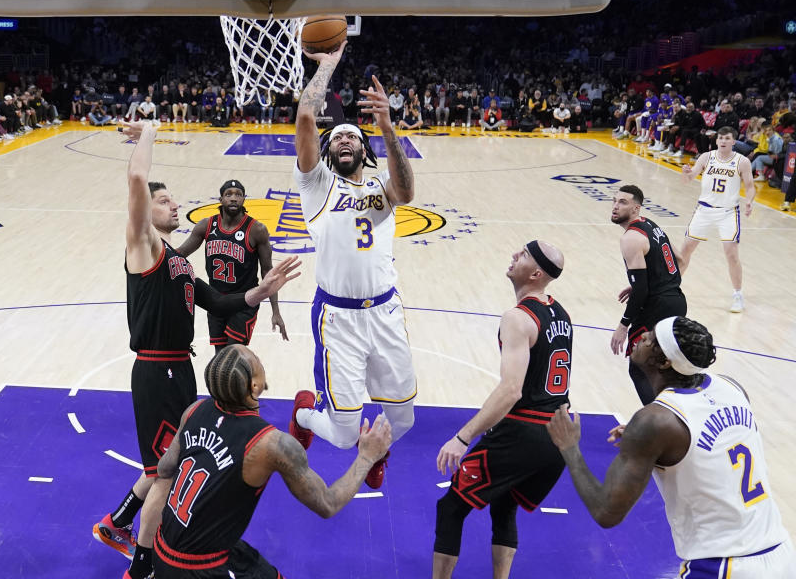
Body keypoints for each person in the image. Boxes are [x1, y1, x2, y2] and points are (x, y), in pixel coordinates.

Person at [91, 120, 301, 579]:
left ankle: (117, 524)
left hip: (179, 369)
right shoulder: (144, 249)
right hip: (156, 370)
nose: (175, 205)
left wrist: (262, 291)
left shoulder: (179, 262)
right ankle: (140, 562)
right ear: (145, 211)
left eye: (174, 200)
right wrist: (148, 132)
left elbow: (223, 301)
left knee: (166, 467)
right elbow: (136, 182)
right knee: (165, 472)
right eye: (164, 200)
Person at [547, 316, 795, 578]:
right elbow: (717, 442)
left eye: (652, 339)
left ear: (664, 362)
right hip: (781, 553)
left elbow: (606, 511)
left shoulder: (656, 422)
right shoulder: (732, 387)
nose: (642, 337)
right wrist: (653, 442)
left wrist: (570, 447)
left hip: (725, 566)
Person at [289, 41, 417, 490]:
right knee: (343, 437)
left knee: (403, 418)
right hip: (338, 318)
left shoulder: (383, 187)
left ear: (366, 153)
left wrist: (386, 127)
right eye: (338, 137)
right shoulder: (316, 185)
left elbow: (407, 193)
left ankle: (377, 449)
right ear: (328, 152)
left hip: (385, 311)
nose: (344, 139)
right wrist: (327, 66)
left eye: (353, 138)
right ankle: (305, 412)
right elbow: (307, 119)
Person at [150, 345, 393, 578]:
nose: (260, 358)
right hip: (203, 566)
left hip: (163, 547)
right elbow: (327, 504)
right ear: (254, 385)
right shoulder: (271, 444)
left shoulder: (193, 410)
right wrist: (367, 456)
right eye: (256, 358)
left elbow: (164, 468)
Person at [432, 241, 570, 579]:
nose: (513, 256)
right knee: (505, 506)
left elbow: (511, 390)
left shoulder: (517, 318)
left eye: (522, 255)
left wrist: (462, 438)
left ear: (536, 273)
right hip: (558, 435)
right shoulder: (561, 314)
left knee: (450, 507)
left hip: (523, 434)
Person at [175, 179, 288, 353]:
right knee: (220, 357)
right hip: (215, 300)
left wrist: (276, 311)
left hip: (244, 301)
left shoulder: (257, 229)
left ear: (244, 200)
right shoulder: (206, 225)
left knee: (233, 355)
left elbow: (268, 272)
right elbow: (181, 253)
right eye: (228, 194)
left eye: (238, 195)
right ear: (220, 200)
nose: (233, 198)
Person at [610, 185, 687, 405]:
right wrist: (660, 285)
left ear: (636, 208)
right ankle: (676, 416)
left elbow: (642, 291)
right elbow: (679, 260)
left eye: (622, 202)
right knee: (665, 367)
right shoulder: (651, 225)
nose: (615, 206)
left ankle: (658, 420)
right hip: (677, 302)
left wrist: (623, 326)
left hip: (657, 308)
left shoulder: (631, 238)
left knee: (639, 365)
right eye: (614, 201)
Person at [679, 127, 755, 313]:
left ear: (733, 142)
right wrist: (686, 172)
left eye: (727, 138)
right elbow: (689, 179)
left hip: (728, 212)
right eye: (720, 138)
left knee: (731, 253)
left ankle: (737, 294)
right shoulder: (706, 157)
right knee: (686, 249)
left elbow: (750, 186)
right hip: (704, 209)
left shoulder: (742, 161)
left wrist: (749, 201)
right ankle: (671, 287)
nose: (722, 141)